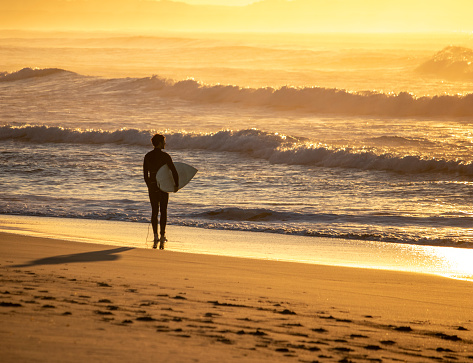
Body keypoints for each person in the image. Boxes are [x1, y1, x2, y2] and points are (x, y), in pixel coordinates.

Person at [143, 134, 179, 249]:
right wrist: (176, 185)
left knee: (154, 211)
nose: (165, 143)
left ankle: (155, 236)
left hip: (153, 186)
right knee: (163, 210)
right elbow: (173, 171)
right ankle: (162, 235)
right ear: (159, 143)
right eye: (164, 141)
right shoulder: (165, 156)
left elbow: (145, 175)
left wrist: (150, 185)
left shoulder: (147, 156)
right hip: (163, 187)